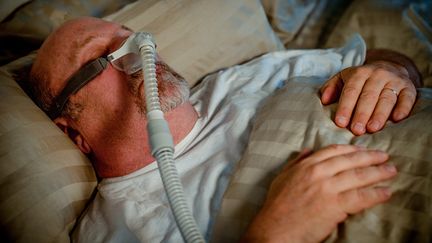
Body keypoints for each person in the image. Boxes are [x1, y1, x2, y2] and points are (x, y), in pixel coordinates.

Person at [29, 17, 421, 242]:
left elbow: (384, 58)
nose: (140, 50)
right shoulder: (113, 230)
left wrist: (391, 72)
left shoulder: (241, 79)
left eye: (132, 35)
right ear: (72, 133)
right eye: (100, 56)